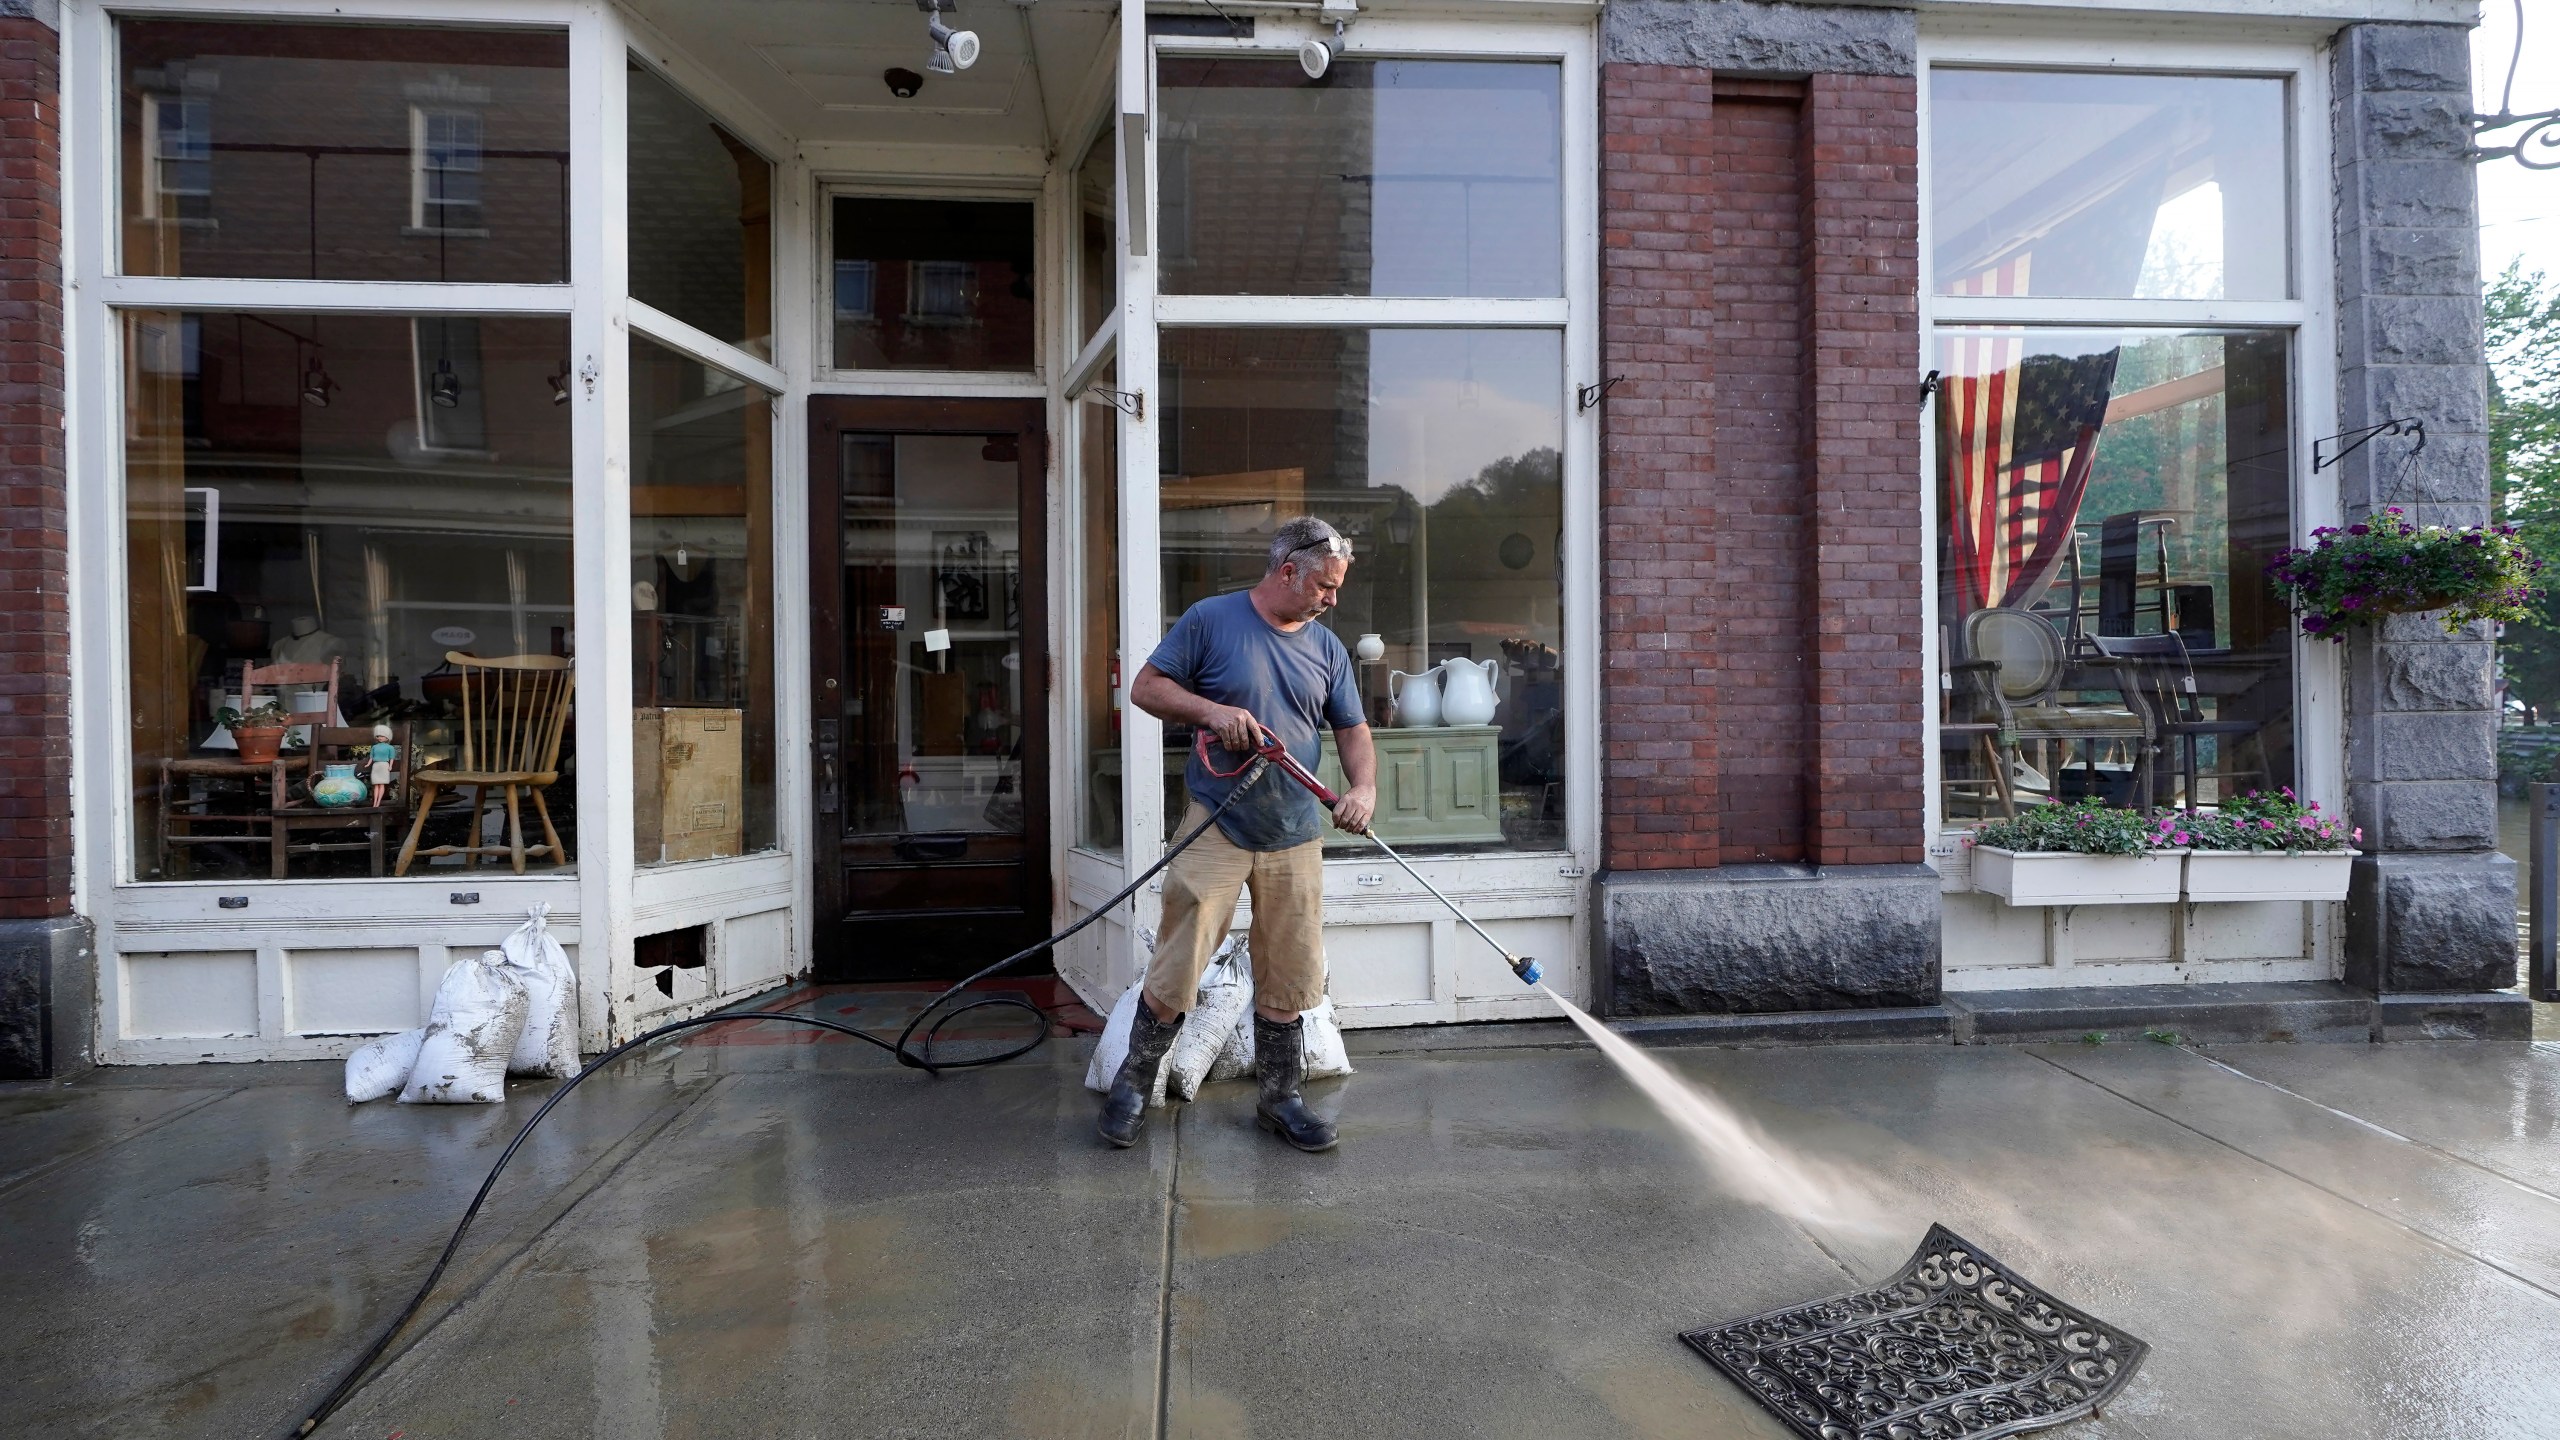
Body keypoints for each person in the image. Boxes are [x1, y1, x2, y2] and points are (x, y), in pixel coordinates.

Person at [1097, 516, 1377, 1153]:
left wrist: (1362, 791)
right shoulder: (1210, 620)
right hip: (1218, 823)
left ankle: (1281, 1099)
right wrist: (1213, 711)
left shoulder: (1328, 649)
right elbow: (1146, 688)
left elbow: (1353, 731)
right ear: (1287, 573)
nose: (1332, 600)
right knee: (1181, 956)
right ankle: (1134, 1086)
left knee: (1288, 969)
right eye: (1325, 587)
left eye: (1337, 588)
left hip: (1296, 832)